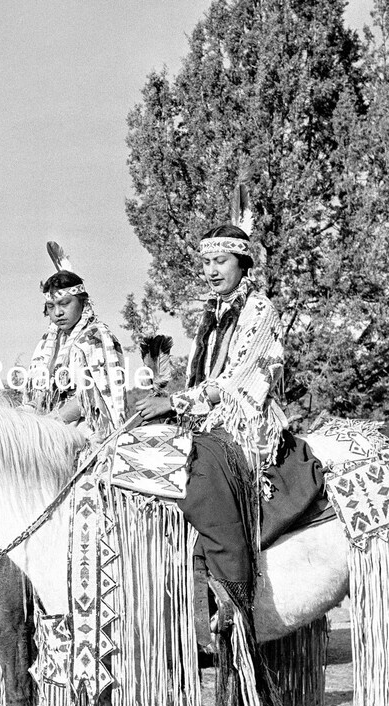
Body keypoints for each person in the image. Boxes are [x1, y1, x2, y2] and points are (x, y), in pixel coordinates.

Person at [136, 223, 324, 630]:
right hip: (204, 419)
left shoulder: (261, 310)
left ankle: (233, 593)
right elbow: (199, 377)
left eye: (220, 261)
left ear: (242, 263)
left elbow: (236, 383)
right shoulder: (212, 312)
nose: (211, 270)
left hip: (246, 422)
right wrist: (170, 407)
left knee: (203, 475)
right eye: (206, 262)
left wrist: (175, 403)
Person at [25, 242, 126, 440]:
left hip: (89, 430)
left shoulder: (96, 338)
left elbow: (92, 395)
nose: (58, 312)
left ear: (83, 302)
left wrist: (51, 421)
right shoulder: (47, 343)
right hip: (52, 425)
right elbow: (39, 394)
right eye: (51, 306)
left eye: (64, 303)